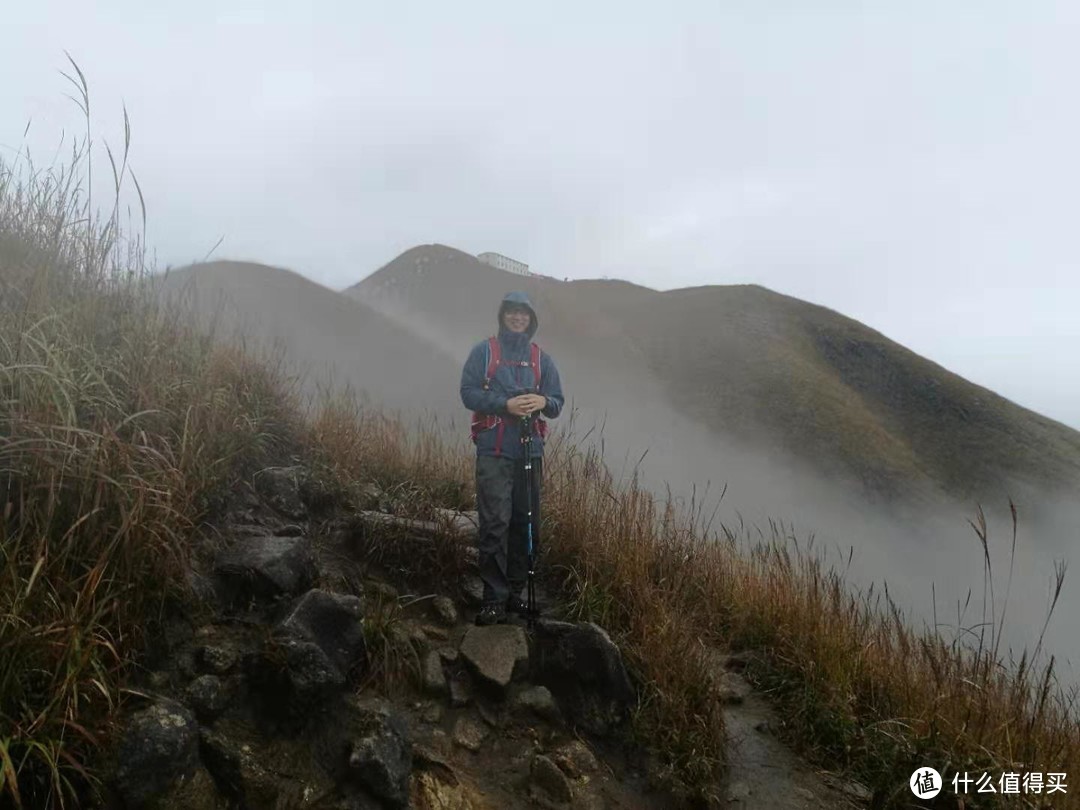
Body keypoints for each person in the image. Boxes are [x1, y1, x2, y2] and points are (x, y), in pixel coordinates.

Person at [460, 291, 564, 625]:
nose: (518, 318)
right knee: (495, 523)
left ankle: (516, 594)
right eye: (512, 312)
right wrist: (505, 405)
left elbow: (557, 402)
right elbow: (468, 393)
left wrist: (541, 401)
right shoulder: (484, 351)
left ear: (531, 320)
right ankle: (494, 597)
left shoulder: (541, 359)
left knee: (526, 522)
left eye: (524, 313)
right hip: (494, 449)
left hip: (529, 449)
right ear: (503, 315)